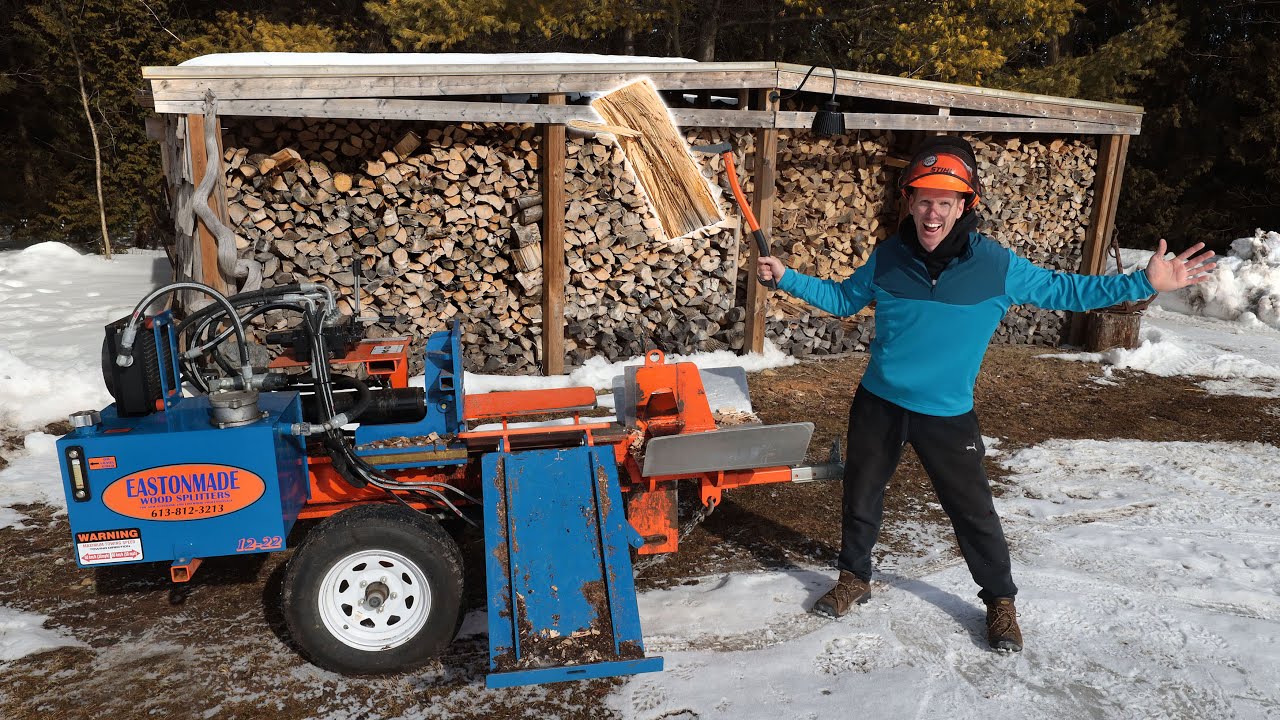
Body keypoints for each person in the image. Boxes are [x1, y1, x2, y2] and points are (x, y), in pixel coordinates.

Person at [756, 135, 1216, 652]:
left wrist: (1140, 282)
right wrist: (788, 277)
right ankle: (853, 580)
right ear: (909, 202)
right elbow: (843, 299)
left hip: (946, 415)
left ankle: (999, 601)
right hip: (879, 402)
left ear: (963, 206)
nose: (933, 213)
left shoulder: (996, 267)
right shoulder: (888, 259)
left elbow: (1069, 290)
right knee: (861, 496)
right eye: (924, 199)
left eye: (945, 202)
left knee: (972, 511)